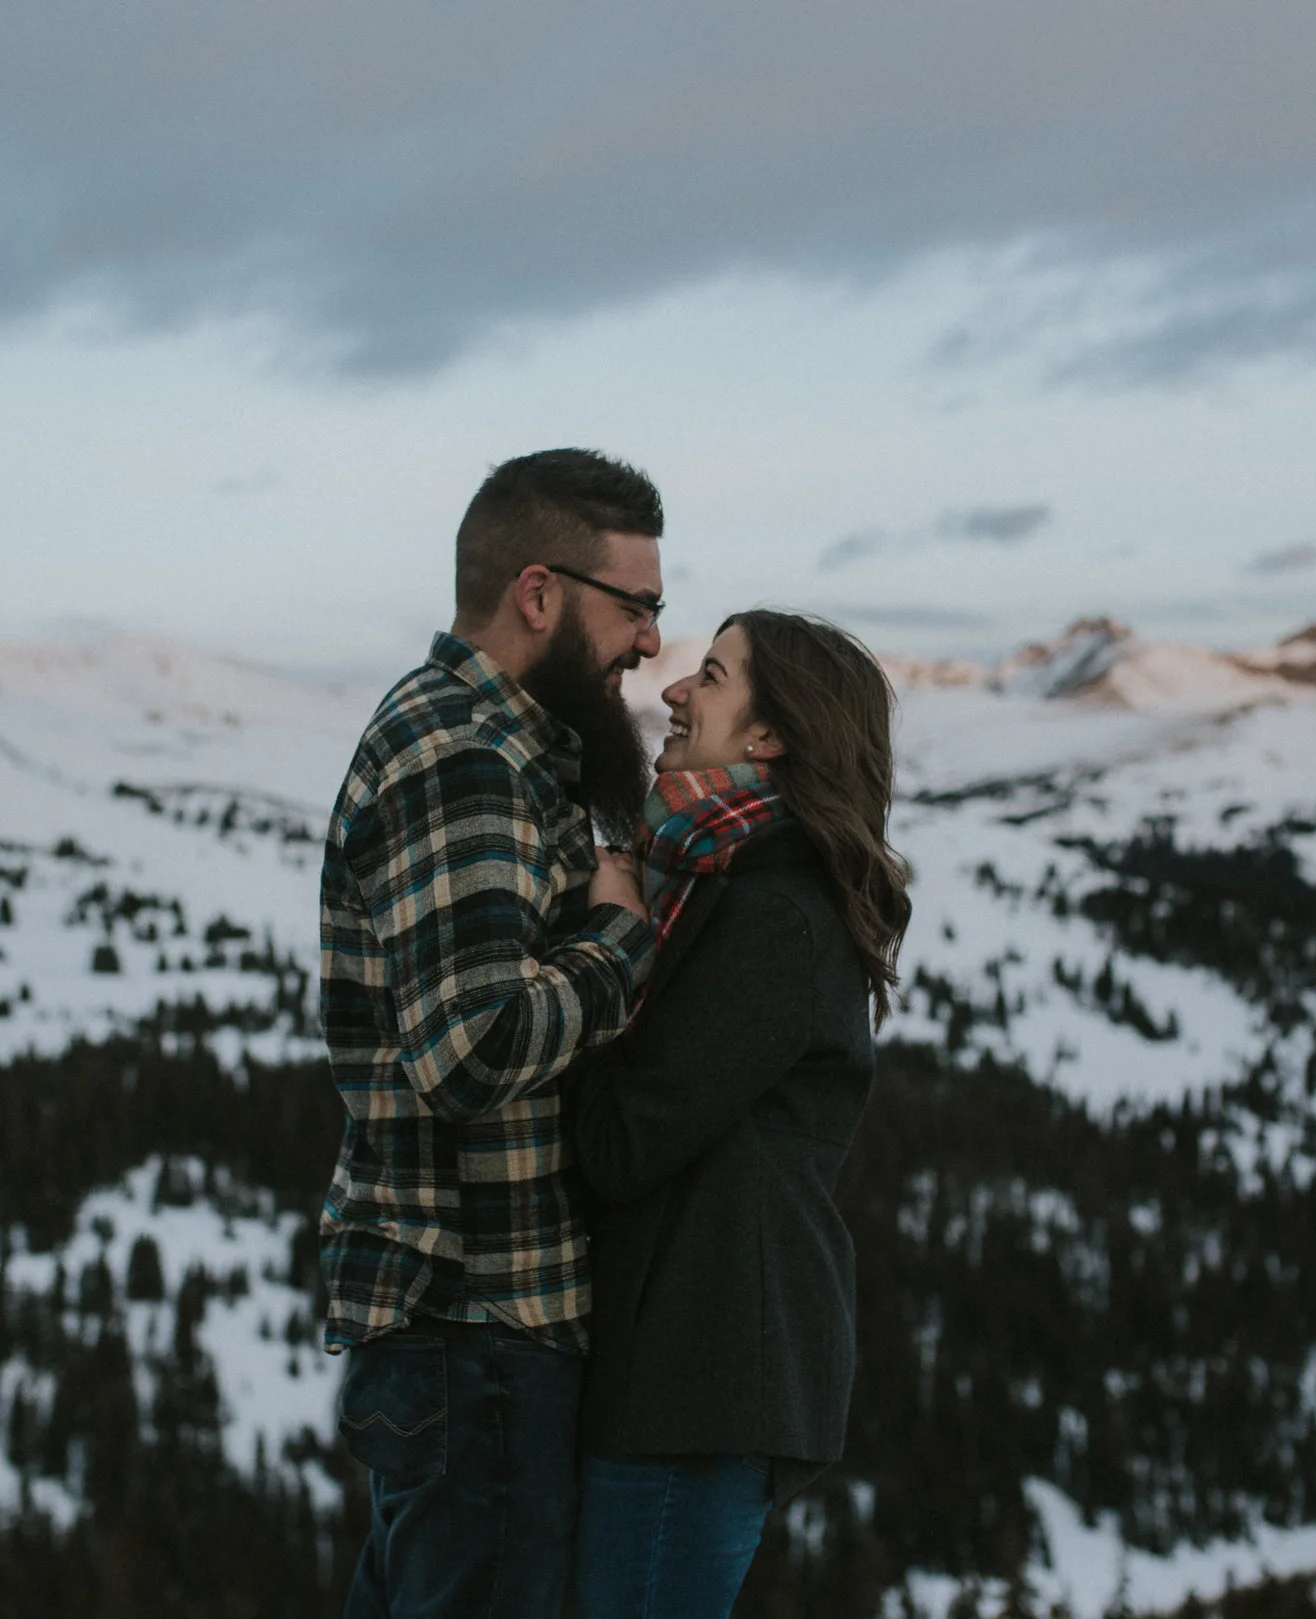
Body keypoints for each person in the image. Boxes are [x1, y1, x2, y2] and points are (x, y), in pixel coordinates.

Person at [319, 448, 672, 1619]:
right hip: (480, 1329)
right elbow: (469, 1049)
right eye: (637, 606)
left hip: (470, 1342)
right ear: (539, 593)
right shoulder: (465, 751)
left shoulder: (506, 745)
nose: (651, 644)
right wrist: (619, 939)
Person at [565, 609, 912, 1619]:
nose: (674, 692)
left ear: (768, 739)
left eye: (708, 677)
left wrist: (608, 946)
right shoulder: (718, 876)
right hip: (676, 1364)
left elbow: (619, 1142)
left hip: (699, 1378)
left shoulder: (775, 916)